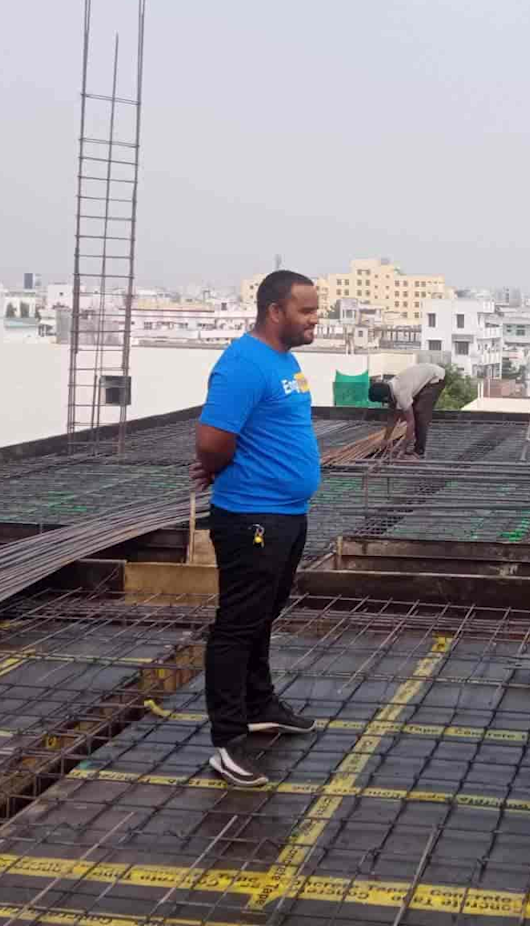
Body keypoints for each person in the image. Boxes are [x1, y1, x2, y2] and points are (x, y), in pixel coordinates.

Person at [193, 270, 323, 787]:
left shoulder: (284, 361)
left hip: (286, 514)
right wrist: (222, 468)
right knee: (237, 625)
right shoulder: (244, 364)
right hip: (252, 517)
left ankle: (259, 704)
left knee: (265, 613)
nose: (315, 320)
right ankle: (227, 741)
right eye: (306, 311)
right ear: (276, 311)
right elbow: (212, 440)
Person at [368, 362, 447, 456]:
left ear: (385, 398)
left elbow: (411, 422)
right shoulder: (391, 387)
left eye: (383, 402)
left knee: (420, 413)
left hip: (436, 378)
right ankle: (416, 448)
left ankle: (419, 452)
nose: (384, 404)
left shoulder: (401, 393)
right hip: (425, 376)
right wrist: (385, 439)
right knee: (413, 410)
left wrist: (403, 448)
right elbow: (392, 418)